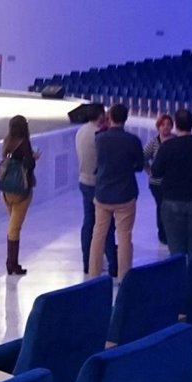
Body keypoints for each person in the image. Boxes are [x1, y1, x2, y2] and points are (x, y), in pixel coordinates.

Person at [88, 104, 145, 280]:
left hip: (103, 193)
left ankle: (94, 275)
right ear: (126, 118)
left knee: (98, 235)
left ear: (110, 117)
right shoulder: (133, 140)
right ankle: (124, 277)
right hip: (125, 194)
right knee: (124, 236)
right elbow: (139, 165)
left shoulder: (100, 139)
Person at [151, 108, 192, 257]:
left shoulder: (167, 146)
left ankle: (180, 270)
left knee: (176, 247)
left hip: (173, 200)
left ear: (176, 125)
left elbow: (156, 171)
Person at [76, 103, 117, 276]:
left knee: (88, 221)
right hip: (99, 184)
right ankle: (113, 263)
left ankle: (87, 262)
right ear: (101, 115)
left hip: (84, 180)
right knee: (106, 224)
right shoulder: (101, 135)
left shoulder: (81, 131)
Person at [1, 115, 39, 275]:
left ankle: (11, 262)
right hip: (21, 191)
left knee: (12, 225)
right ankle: (12, 263)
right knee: (14, 228)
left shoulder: (7, 142)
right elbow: (29, 164)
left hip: (6, 190)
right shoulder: (24, 143)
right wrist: (34, 157)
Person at [142, 113, 174, 244]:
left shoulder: (176, 141)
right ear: (158, 127)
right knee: (162, 207)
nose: (165, 127)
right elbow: (143, 158)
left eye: (168, 124)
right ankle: (163, 234)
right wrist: (149, 171)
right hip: (157, 183)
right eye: (163, 124)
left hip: (173, 182)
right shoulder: (153, 142)